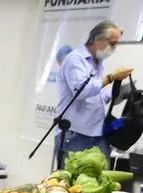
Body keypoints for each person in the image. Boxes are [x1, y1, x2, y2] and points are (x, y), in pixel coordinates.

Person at [57, 20, 133, 166]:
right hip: (75, 134)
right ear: (98, 40)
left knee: (102, 182)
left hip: (97, 133)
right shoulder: (75, 59)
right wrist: (111, 77)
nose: (114, 48)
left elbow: (95, 97)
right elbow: (82, 91)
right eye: (113, 43)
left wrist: (118, 91)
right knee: (71, 185)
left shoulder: (97, 63)